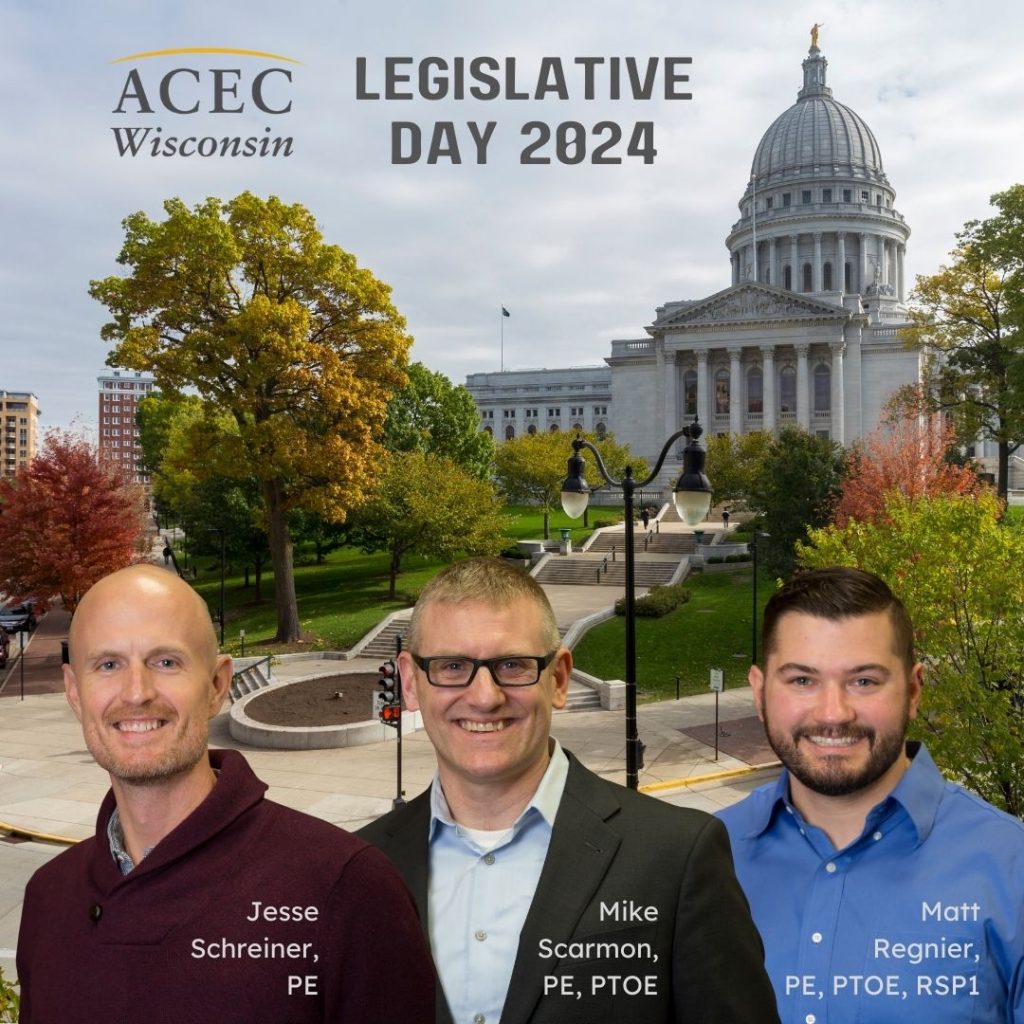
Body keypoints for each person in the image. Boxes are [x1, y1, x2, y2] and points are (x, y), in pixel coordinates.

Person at [359, 557, 779, 1024]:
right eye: (452, 665)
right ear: (411, 682)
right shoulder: (359, 867)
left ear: (558, 678)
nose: (483, 696)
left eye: (513, 665)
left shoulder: (678, 857)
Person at [16, 564, 434, 1024]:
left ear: (217, 685)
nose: (136, 692)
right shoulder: (48, 898)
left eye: (166, 662)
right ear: (74, 691)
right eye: (108, 664)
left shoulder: (347, 889)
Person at [717, 567, 1024, 1023]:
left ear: (914, 690)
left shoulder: (1011, 865)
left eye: (864, 681)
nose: (833, 713)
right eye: (802, 680)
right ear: (760, 693)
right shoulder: (705, 858)